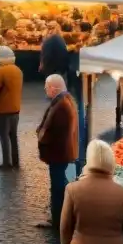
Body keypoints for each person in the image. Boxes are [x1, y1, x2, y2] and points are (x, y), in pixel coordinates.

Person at [36, 74, 78, 232]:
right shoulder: (64, 102)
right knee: (58, 187)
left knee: (58, 188)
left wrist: (42, 136)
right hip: (61, 154)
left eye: (47, 87)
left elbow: (54, 132)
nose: (45, 89)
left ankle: (58, 221)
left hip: (59, 155)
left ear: (54, 88)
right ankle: (57, 218)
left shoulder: (61, 105)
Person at [0, 45, 23, 170]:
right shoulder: (18, 70)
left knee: (4, 136)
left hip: (3, 108)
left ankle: (6, 163)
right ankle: (16, 161)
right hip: (15, 108)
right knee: (13, 136)